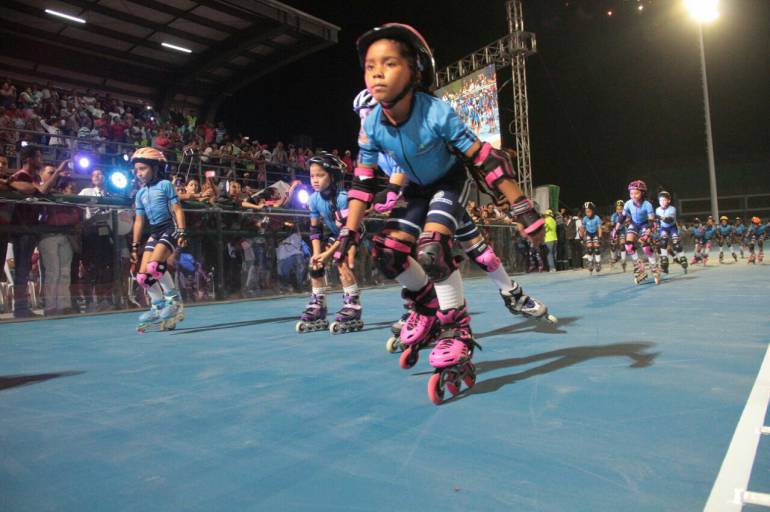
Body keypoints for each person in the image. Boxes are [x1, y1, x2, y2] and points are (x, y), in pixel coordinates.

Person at [338, 24, 545, 404]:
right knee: (387, 253)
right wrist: (349, 233)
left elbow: (487, 159)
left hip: (449, 182)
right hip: (416, 189)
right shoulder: (371, 124)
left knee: (432, 250)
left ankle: (456, 330)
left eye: (389, 63)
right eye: (370, 66)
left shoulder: (436, 112)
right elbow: (363, 180)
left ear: (415, 71)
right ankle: (428, 308)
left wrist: (522, 207)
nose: (377, 73)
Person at [296, 152, 363, 334]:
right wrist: (317, 255)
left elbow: (347, 231)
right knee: (315, 266)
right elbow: (315, 231)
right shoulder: (314, 199)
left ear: (332, 176)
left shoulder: (342, 198)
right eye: (312, 176)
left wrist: (328, 254)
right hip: (336, 233)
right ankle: (318, 305)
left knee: (339, 260)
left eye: (320, 175)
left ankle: (353, 305)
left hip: (352, 231)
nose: (315, 180)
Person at [129, 147, 187, 332]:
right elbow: (139, 221)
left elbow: (177, 209)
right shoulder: (140, 194)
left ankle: (174, 301)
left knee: (155, 266)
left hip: (169, 229)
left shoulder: (165, 185)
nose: (139, 173)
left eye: (143, 168)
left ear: (155, 168)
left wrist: (182, 231)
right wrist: (134, 245)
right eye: (137, 170)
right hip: (154, 232)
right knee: (142, 277)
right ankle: (158, 305)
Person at [8, 147, 67, 317]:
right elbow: (41, 191)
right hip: (22, 227)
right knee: (21, 269)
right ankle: (20, 308)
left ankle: (21, 307)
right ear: (29, 159)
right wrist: (58, 172)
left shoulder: (31, 177)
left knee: (24, 269)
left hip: (29, 227)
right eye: (38, 157)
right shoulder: (21, 176)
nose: (41, 160)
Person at [615, 180, 659, 285]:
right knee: (628, 246)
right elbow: (622, 217)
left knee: (646, 247)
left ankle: (654, 266)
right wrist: (615, 229)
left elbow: (651, 221)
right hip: (634, 224)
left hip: (645, 224)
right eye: (631, 193)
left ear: (642, 193)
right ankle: (639, 266)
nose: (633, 196)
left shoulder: (647, 204)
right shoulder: (628, 203)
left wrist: (648, 233)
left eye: (636, 193)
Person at [655, 191, 688, 274]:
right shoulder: (657, 210)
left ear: (668, 201)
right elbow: (658, 222)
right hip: (663, 228)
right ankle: (664, 260)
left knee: (676, 244)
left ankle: (683, 258)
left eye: (664, 200)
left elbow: (669, 220)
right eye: (660, 200)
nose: (661, 202)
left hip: (672, 227)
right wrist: (657, 227)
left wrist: (659, 217)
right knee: (663, 242)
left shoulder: (672, 209)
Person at [580, 202, 603, 274]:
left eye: (589, 211)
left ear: (593, 211)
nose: (588, 213)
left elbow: (599, 228)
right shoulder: (584, 219)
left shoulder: (597, 217)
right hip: (589, 234)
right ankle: (590, 262)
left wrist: (600, 237)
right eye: (586, 212)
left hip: (595, 234)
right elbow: (583, 228)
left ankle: (598, 262)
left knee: (596, 249)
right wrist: (581, 236)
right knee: (589, 249)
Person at [609, 200, 628, 272]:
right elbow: (612, 225)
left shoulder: (625, 215)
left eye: (621, 209)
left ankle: (623, 260)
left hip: (623, 230)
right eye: (618, 209)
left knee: (622, 244)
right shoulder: (614, 216)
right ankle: (613, 257)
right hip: (615, 230)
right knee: (613, 244)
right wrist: (612, 225)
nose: (619, 210)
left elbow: (628, 221)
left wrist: (627, 222)